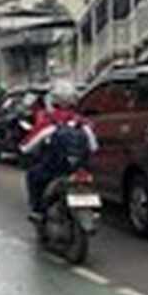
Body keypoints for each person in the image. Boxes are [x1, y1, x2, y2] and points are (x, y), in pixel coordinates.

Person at [19, 79, 98, 223]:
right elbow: (93, 147)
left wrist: (24, 150)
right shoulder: (83, 122)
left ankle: (38, 211)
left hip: (54, 169)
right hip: (79, 170)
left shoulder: (50, 121)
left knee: (32, 176)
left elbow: (28, 146)